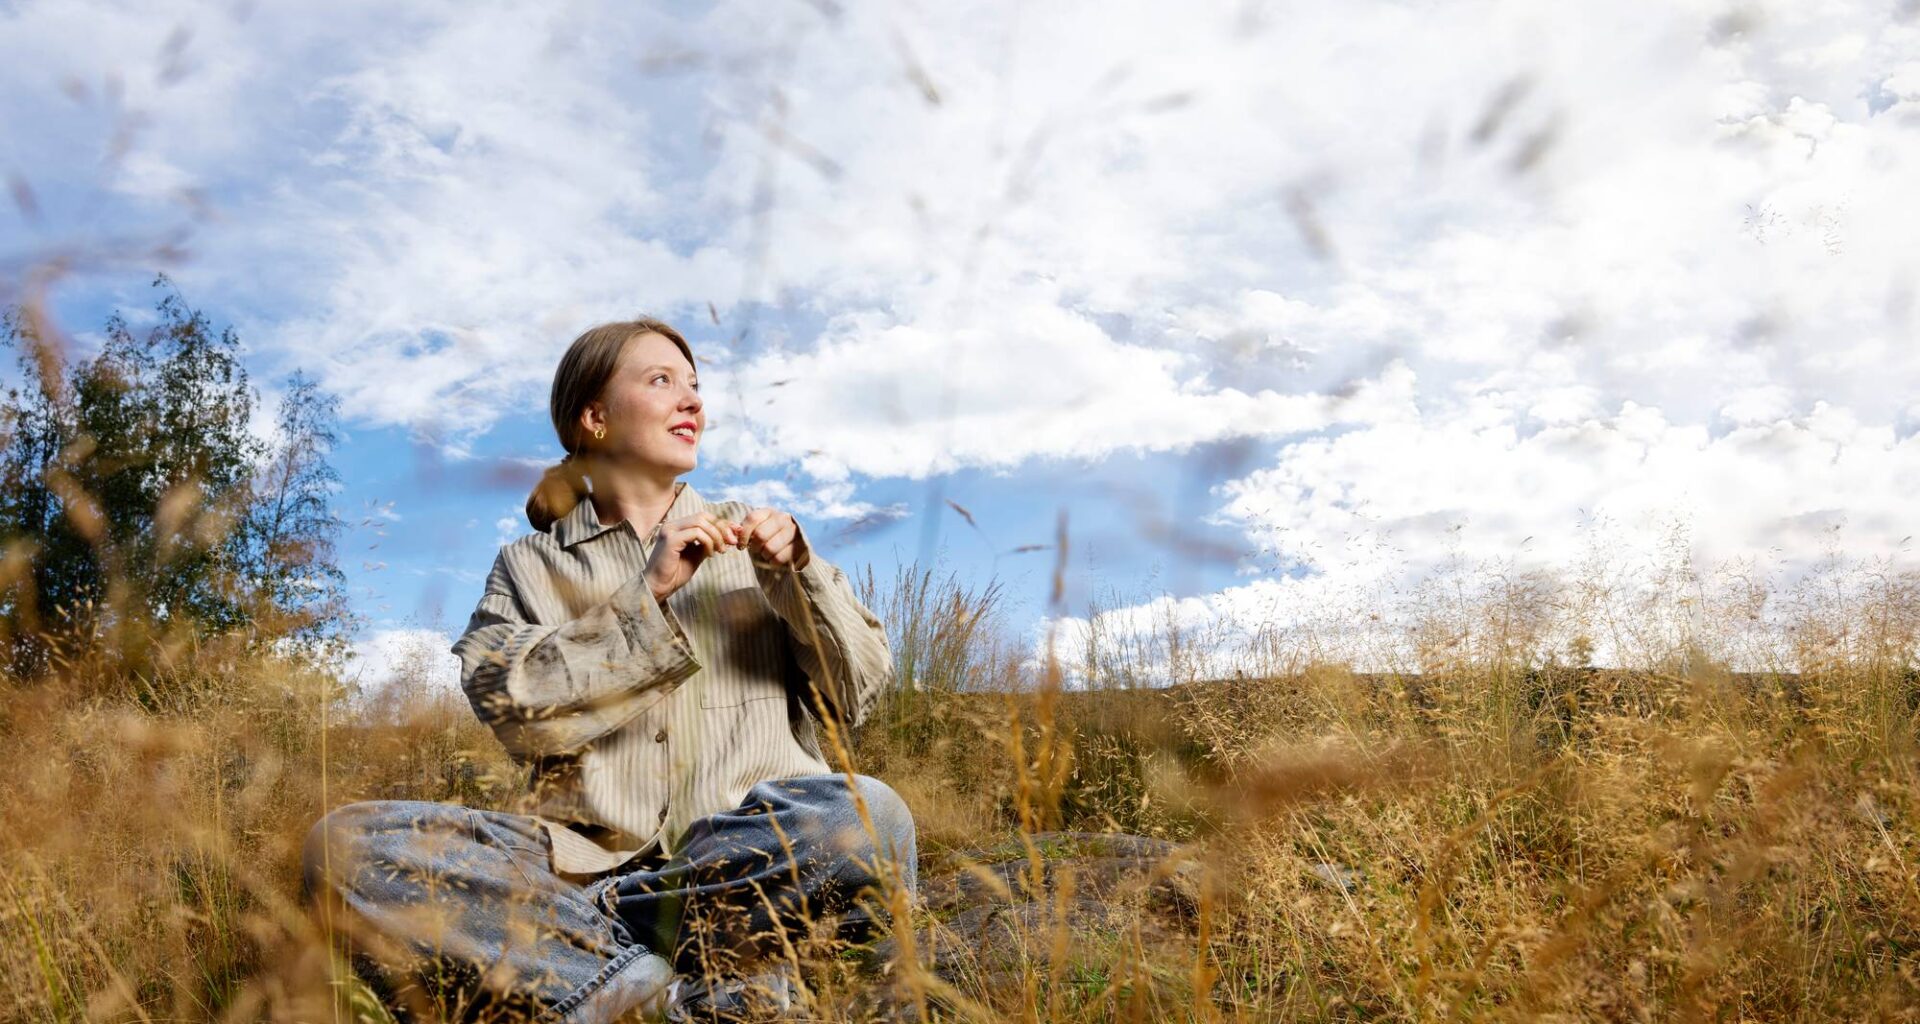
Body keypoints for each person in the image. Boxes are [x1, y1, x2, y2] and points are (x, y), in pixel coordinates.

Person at [302, 318, 915, 1023]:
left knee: (870, 816)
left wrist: (798, 577)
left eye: (695, 386)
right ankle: (665, 995)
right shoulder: (528, 566)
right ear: (594, 419)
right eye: (662, 381)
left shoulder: (759, 542)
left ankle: (594, 948)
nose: (693, 401)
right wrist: (644, 599)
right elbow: (510, 710)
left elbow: (858, 692)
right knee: (344, 845)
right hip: (571, 863)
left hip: (742, 866)